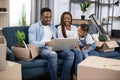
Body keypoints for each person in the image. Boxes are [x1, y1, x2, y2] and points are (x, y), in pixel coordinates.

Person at [29, 8, 74, 80]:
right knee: (53, 54)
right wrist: (45, 43)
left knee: (70, 54)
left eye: (50, 17)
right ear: (41, 17)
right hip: (42, 49)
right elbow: (32, 42)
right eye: (46, 17)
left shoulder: (52, 27)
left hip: (54, 47)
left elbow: (56, 38)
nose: (48, 19)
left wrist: (60, 43)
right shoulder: (34, 27)